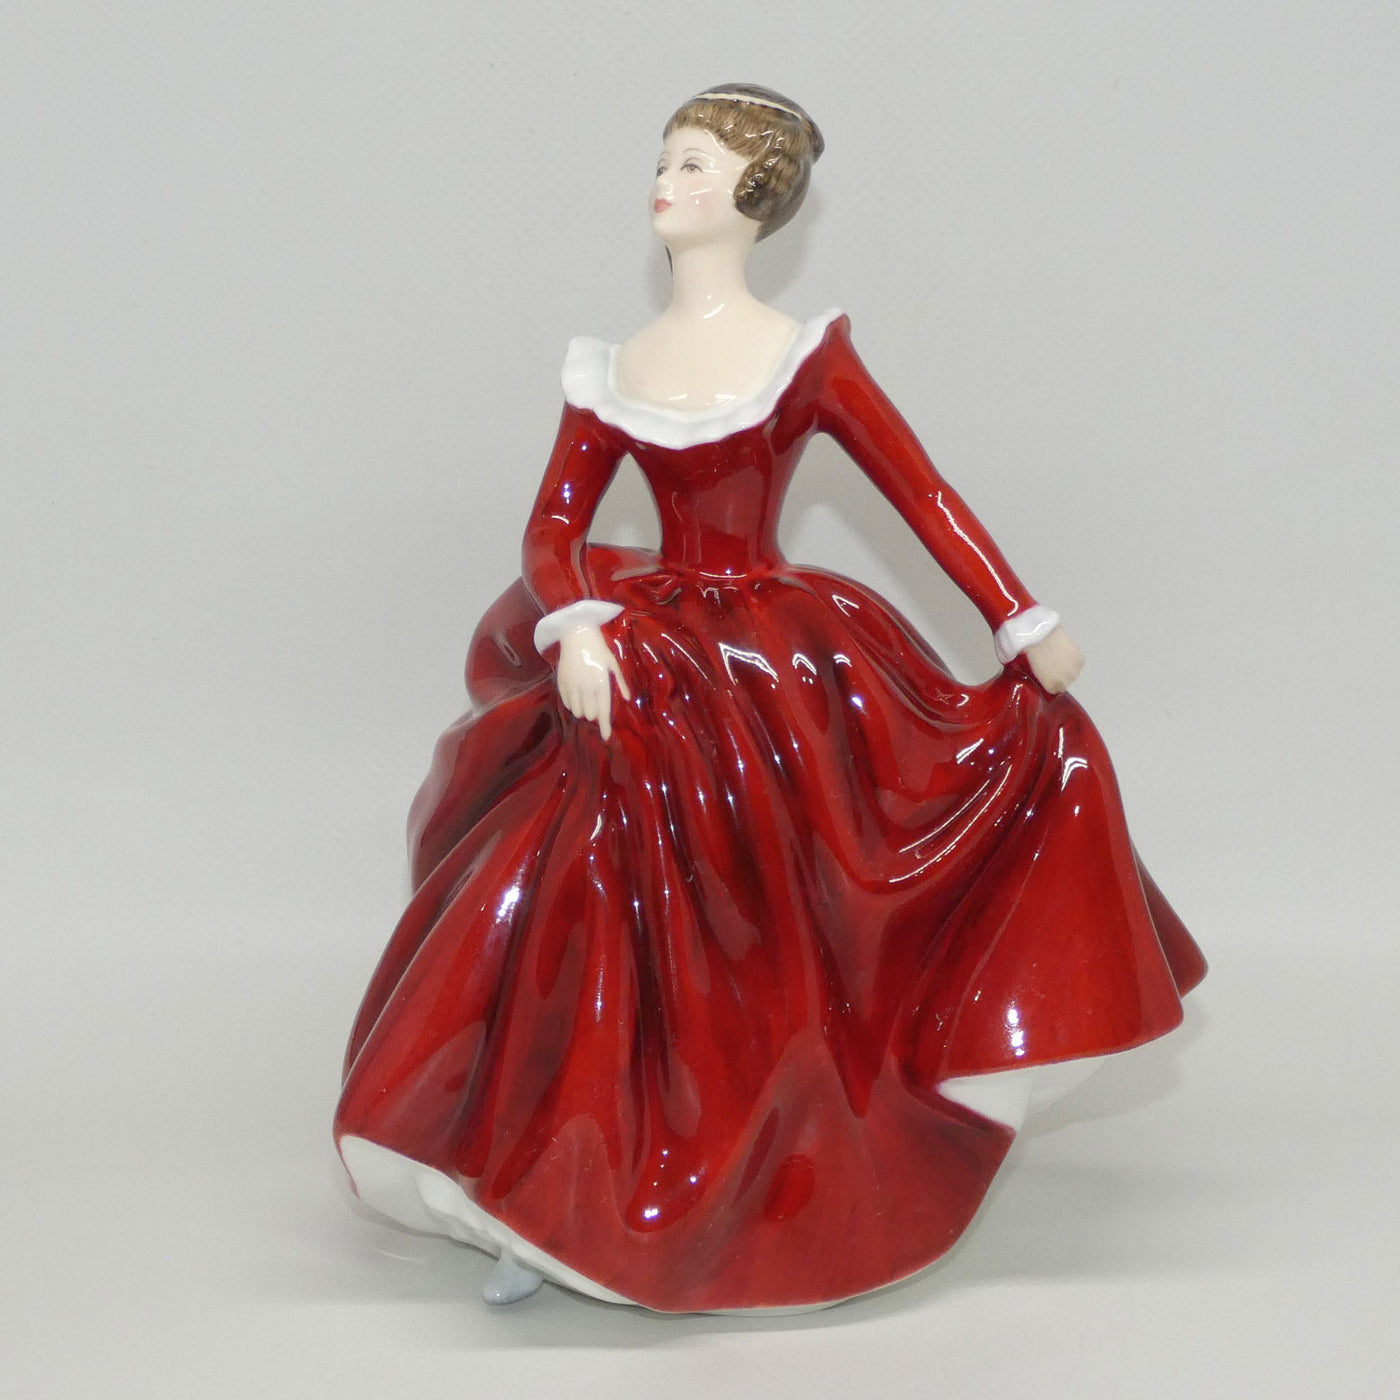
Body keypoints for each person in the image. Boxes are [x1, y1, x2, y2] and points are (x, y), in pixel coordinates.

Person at [335, 84, 1206, 1314]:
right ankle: (548, 1177)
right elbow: (551, 528)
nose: (666, 181)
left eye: (693, 163)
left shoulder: (804, 356)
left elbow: (922, 494)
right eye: (664, 159)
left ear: (752, 195)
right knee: (573, 886)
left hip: (776, 667)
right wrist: (575, 618)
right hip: (643, 659)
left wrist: (1020, 614)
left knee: (780, 910)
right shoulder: (614, 367)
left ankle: (760, 1168)